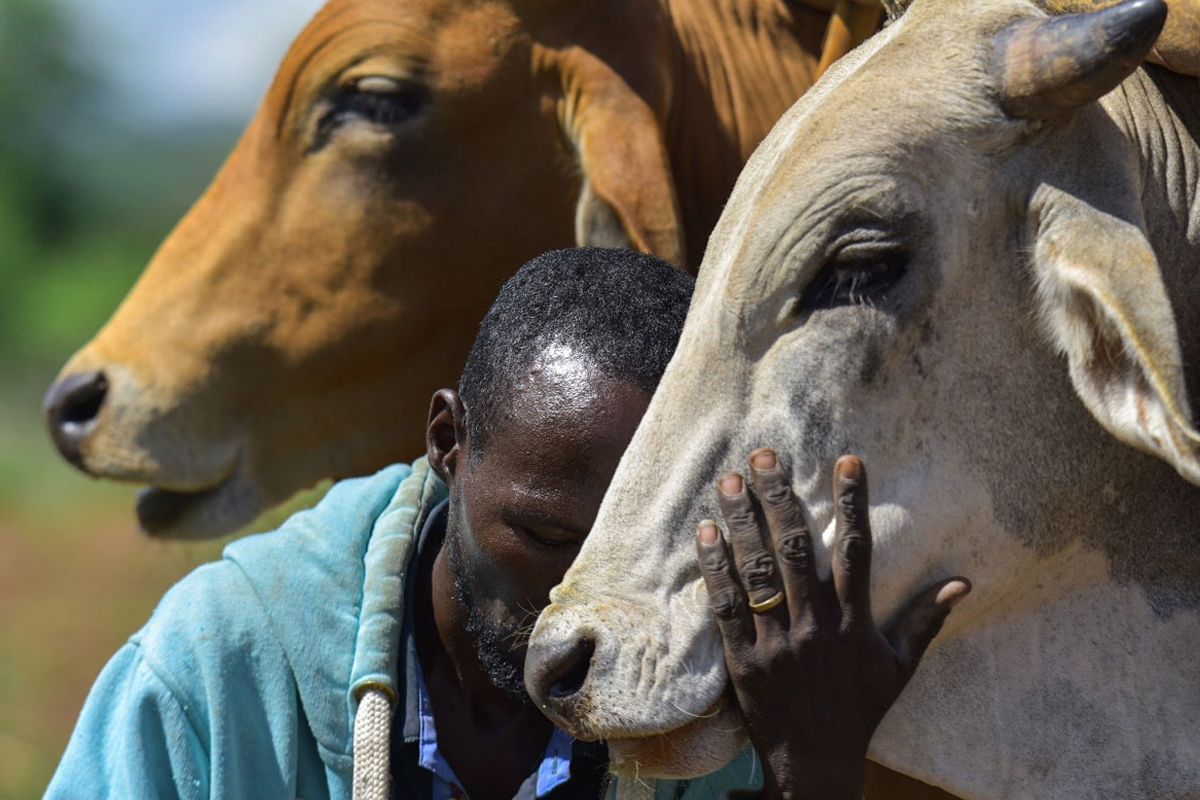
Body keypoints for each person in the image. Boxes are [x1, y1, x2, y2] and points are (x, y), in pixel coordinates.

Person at [45, 248, 969, 800]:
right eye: (546, 538)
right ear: (449, 439)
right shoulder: (225, 663)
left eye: (645, 558)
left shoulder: (709, 695)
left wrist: (811, 773)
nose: (577, 609)